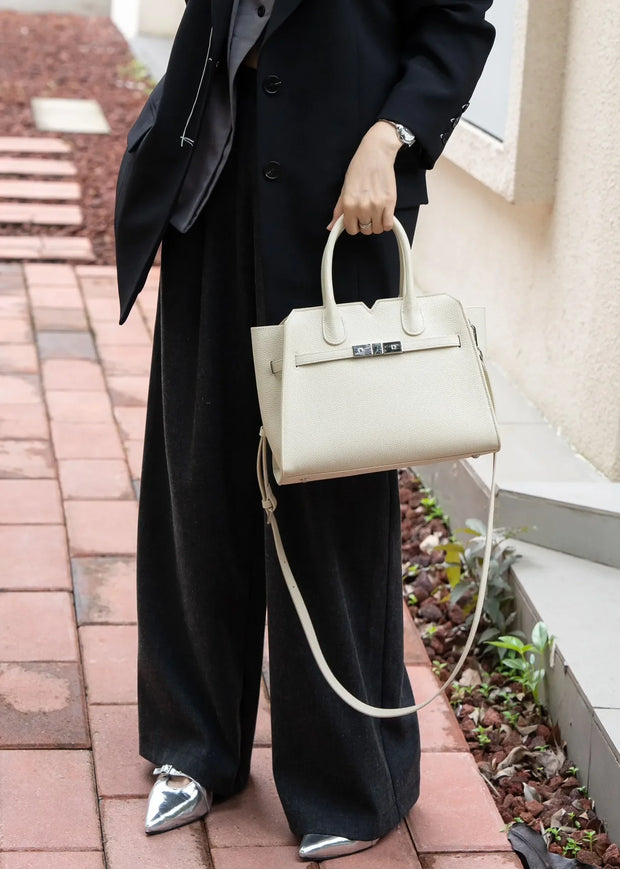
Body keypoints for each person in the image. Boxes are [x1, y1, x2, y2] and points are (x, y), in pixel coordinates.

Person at [114, 0, 495, 861]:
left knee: (330, 496)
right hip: (211, 176)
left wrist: (392, 135)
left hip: (341, 195)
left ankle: (351, 778)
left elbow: (456, 24)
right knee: (198, 478)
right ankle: (192, 746)